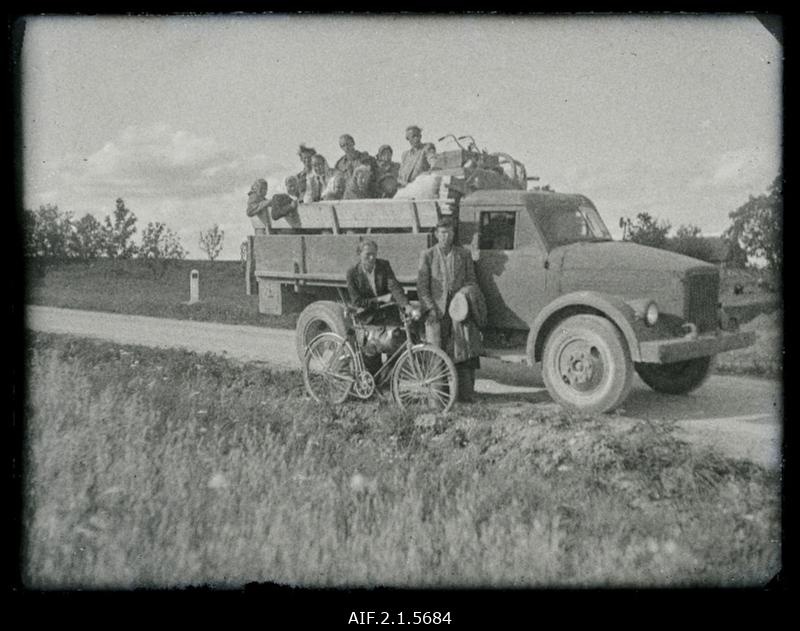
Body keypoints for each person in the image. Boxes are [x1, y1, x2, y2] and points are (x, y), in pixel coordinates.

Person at [417, 216, 483, 402]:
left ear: (454, 234)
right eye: (442, 233)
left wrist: (463, 294)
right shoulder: (428, 255)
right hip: (435, 313)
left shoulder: (463, 254)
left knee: (462, 353)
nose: (446, 236)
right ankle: (437, 399)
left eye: (449, 233)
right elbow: (422, 287)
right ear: (437, 234)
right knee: (436, 355)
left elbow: (472, 281)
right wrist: (430, 309)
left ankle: (465, 396)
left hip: (458, 313)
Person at [346, 239, 411, 377]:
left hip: (388, 314)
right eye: (367, 255)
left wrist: (406, 305)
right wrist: (379, 300)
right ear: (359, 254)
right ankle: (373, 384)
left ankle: (388, 384)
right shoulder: (352, 273)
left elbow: (394, 286)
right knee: (371, 352)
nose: (372, 258)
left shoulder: (383, 265)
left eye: (374, 254)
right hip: (368, 318)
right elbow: (357, 302)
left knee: (397, 347)